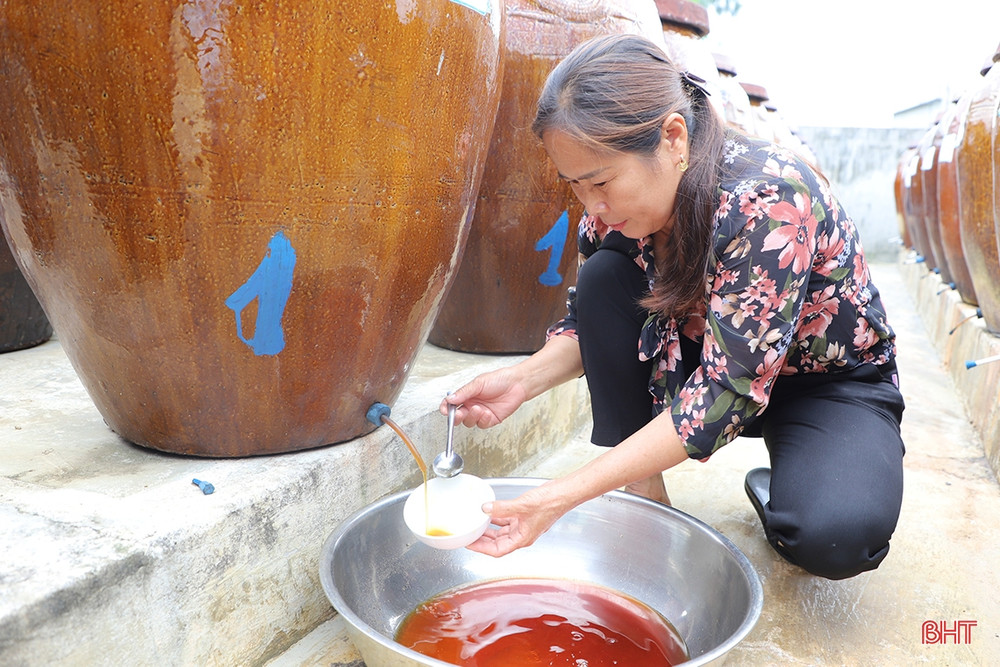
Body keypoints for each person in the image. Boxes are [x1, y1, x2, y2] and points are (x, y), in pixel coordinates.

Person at [441, 33, 904, 581]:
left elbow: (727, 392)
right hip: (705, 359)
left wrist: (559, 496)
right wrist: (523, 381)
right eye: (576, 187)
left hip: (820, 383)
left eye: (601, 182)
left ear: (673, 138)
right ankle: (645, 498)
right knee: (603, 274)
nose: (593, 206)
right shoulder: (614, 209)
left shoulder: (768, 203)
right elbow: (591, 318)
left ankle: (793, 480)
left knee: (834, 537)